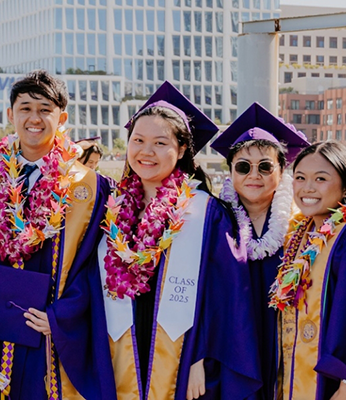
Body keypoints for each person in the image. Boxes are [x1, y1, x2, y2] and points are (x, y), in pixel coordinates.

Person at [97, 81, 262, 400]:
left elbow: (225, 295)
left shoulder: (206, 212)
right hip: (117, 349)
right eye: (138, 140)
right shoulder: (111, 210)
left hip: (185, 358)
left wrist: (200, 356)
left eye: (160, 142)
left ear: (183, 149)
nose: (146, 151)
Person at [0, 70, 115, 400]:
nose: (34, 118)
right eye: (25, 108)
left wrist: (62, 317)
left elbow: (96, 266)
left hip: (53, 333)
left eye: (44, 109)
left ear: (61, 117)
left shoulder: (92, 187)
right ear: (10, 114)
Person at [210, 102, 310, 400]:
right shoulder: (214, 220)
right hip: (229, 349)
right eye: (243, 166)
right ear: (230, 172)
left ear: (281, 170)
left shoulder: (301, 225)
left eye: (265, 166)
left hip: (287, 347)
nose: (254, 174)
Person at [269, 140, 346, 399]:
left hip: (332, 383)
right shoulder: (298, 235)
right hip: (290, 375)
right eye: (300, 177)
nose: (307, 188)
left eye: (321, 179)